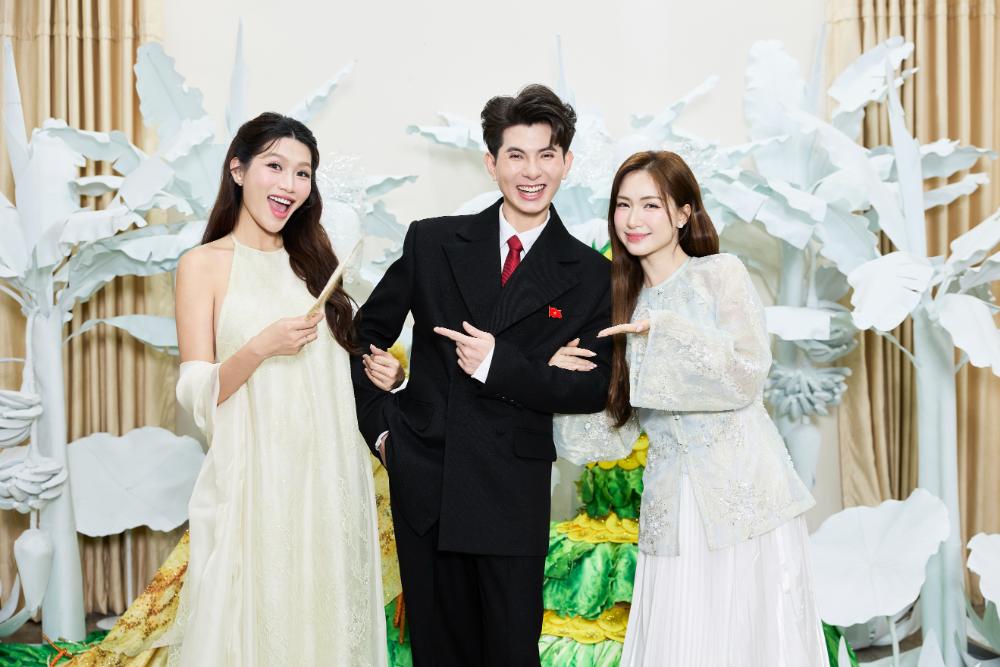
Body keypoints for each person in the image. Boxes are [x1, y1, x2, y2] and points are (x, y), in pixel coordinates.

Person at [350, 84, 613, 667]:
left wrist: (501, 364)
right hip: (428, 483)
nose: (531, 171)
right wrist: (385, 434)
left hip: (511, 493)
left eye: (546, 155)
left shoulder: (592, 274)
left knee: (510, 654)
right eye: (516, 155)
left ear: (567, 162)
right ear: (491, 163)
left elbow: (594, 386)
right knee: (438, 655)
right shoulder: (433, 241)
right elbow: (361, 336)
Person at [551, 151, 829, 666]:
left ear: (683, 213)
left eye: (651, 205)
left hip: (745, 496)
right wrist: (558, 381)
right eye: (623, 205)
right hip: (671, 506)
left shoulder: (719, 274)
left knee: (754, 641)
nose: (633, 219)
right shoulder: (618, 303)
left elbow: (746, 373)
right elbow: (614, 433)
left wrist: (666, 333)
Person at [164, 112, 398, 666]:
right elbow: (194, 388)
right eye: (275, 166)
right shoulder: (203, 264)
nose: (289, 184)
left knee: (326, 616)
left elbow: (341, 369)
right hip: (257, 482)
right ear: (238, 170)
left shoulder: (316, 262)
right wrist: (259, 347)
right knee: (258, 617)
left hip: (329, 480)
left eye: (302, 173)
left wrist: (388, 374)